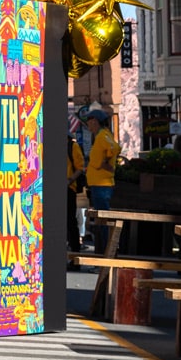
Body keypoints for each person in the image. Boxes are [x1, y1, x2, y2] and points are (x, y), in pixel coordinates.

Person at [84, 108, 119, 252]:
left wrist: (104, 163)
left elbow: (115, 147)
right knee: (100, 221)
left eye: (89, 122)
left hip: (102, 185)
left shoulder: (103, 135)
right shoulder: (100, 136)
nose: (88, 125)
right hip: (98, 185)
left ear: (95, 121)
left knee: (103, 222)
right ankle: (103, 253)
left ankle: (105, 253)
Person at [66, 131, 87, 264]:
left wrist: (69, 180)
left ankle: (75, 259)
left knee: (70, 222)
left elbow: (80, 167)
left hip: (68, 188)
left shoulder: (72, 146)